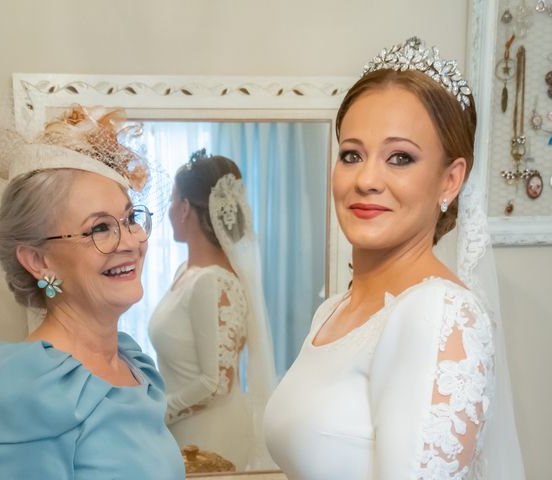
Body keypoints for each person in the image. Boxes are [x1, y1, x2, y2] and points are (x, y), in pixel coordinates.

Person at [264, 37, 525, 480]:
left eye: (400, 158)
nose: (366, 179)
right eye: (352, 155)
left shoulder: (438, 313)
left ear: (450, 179)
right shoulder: (334, 311)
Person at [0, 105, 185, 479]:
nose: (130, 240)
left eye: (130, 219)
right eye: (99, 229)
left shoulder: (132, 365)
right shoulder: (28, 388)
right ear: (38, 260)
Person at [148, 149, 276, 470]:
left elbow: (216, 383)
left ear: (185, 208)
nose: (169, 210)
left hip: (207, 440)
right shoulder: (184, 273)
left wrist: (156, 410)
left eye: (172, 201)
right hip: (181, 432)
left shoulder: (212, 282)